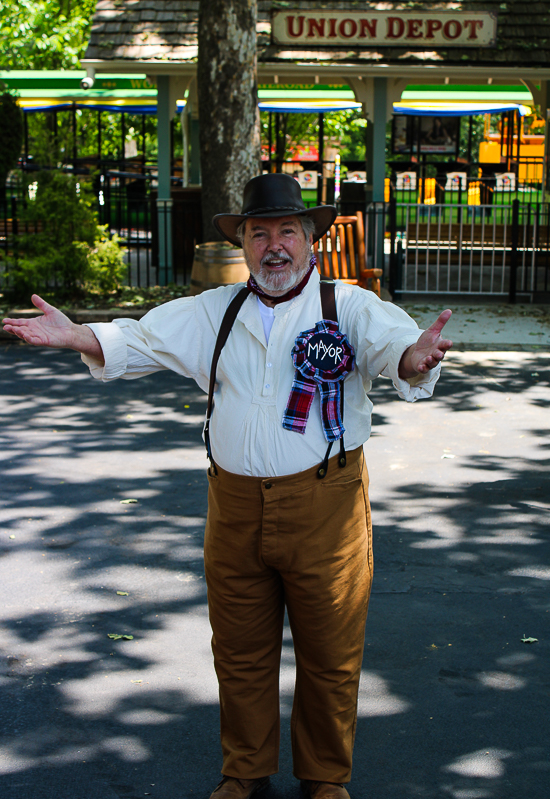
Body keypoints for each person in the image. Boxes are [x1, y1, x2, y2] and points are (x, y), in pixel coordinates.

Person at [2, 173, 452, 799]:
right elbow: (136, 340)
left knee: (330, 654)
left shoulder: (347, 306)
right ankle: (245, 773)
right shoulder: (213, 311)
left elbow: (393, 345)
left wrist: (414, 357)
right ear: (242, 243)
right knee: (239, 653)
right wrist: (77, 334)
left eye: (287, 232)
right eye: (258, 232)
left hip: (327, 507)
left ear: (311, 240)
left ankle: (325, 779)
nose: (274, 245)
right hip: (233, 506)